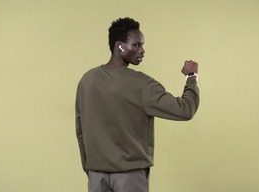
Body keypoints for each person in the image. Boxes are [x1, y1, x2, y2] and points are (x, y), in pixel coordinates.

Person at [75, 17, 200, 192]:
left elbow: (80, 130)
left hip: (96, 175)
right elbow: (185, 110)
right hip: (130, 177)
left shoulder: (87, 80)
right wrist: (191, 76)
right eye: (137, 45)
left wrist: (90, 169)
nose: (142, 50)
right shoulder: (142, 84)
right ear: (119, 46)